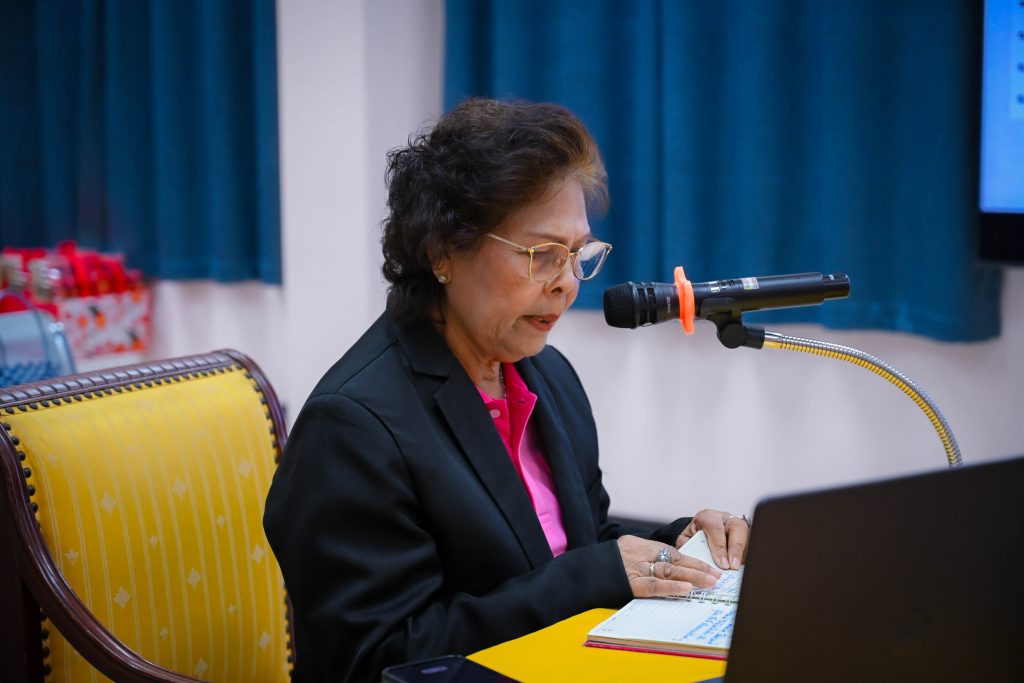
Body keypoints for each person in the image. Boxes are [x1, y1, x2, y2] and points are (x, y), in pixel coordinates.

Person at [263, 98, 750, 682]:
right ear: (442, 251)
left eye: (579, 254)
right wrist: (592, 575)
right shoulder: (354, 426)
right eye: (542, 256)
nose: (567, 285)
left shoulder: (546, 374)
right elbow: (377, 660)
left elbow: (579, 541)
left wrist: (680, 546)